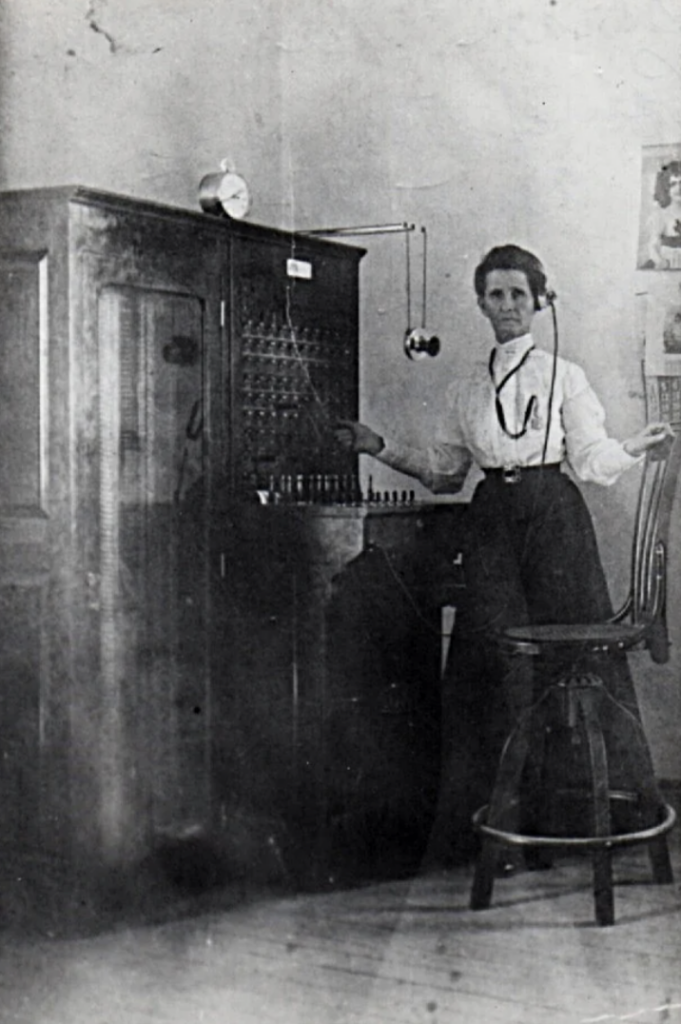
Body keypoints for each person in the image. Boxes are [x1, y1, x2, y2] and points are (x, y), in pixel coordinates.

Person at [335, 244, 674, 866]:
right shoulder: (466, 388)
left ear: (540, 301)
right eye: (497, 295)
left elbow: (592, 461)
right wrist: (376, 445)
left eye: (520, 294)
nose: (509, 306)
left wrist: (632, 445)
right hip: (490, 523)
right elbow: (443, 474)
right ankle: (490, 836)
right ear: (481, 303)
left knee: (568, 666)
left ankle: (568, 826)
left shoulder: (564, 375)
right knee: (489, 665)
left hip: (555, 525)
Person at [641, 160, 681, 269]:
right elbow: (653, 247)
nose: (679, 188)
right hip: (670, 265)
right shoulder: (662, 215)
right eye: (673, 184)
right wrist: (661, 262)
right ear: (666, 188)